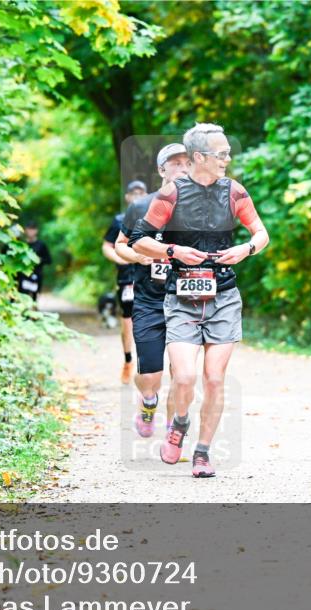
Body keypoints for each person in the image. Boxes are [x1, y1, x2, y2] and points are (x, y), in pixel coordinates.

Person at [129, 124, 269, 478]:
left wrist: (246, 248)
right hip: (181, 297)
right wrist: (173, 249)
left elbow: (261, 233)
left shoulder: (234, 191)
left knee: (215, 380)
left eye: (227, 153)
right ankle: (179, 422)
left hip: (223, 296)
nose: (227, 159)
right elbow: (139, 241)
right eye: (221, 153)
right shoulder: (171, 195)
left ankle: (202, 453)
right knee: (186, 376)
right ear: (199, 158)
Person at [114, 143, 191, 437]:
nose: (182, 168)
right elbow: (121, 244)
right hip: (149, 301)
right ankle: (148, 401)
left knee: (181, 375)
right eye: (175, 163)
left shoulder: (200, 210)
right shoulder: (141, 207)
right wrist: (138, 256)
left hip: (185, 302)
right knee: (151, 377)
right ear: (161, 170)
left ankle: (174, 433)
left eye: (187, 162)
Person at [103, 180, 147, 384]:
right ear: (127, 197)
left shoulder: (154, 219)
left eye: (141, 193)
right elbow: (107, 246)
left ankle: (149, 364)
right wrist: (119, 258)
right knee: (128, 319)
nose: (137, 196)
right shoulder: (119, 219)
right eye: (133, 193)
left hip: (150, 276)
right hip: (127, 277)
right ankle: (128, 360)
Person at [16, 222, 53, 301]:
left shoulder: (41, 245)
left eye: (32, 229)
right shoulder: (21, 244)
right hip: (23, 275)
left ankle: (33, 310)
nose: (30, 232)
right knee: (22, 297)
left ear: (36, 231)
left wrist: (40, 260)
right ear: (25, 230)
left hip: (36, 275)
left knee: (34, 298)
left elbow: (49, 260)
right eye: (29, 229)